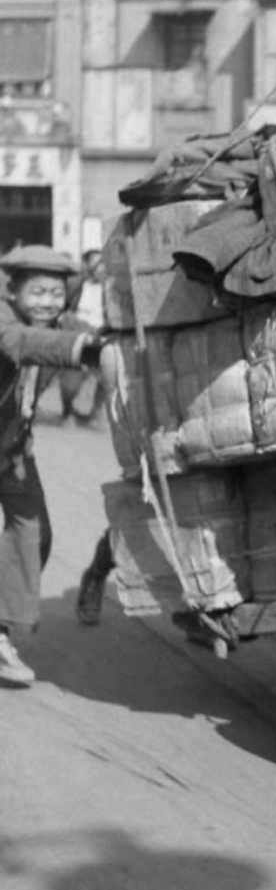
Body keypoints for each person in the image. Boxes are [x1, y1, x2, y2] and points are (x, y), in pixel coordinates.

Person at [0, 245, 104, 686]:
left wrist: (112, 343)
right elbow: (23, 344)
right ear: (14, 292)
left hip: (13, 450)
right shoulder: (5, 319)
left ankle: (2, 630)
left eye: (56, 293)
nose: (48, 302)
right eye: (38, 292)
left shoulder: (61, 323)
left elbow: (92, 333)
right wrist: (82, 348)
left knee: (34, 534)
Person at [59, 248, 106, 425]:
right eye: (96, 263)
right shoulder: (75, 285)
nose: (100, 267)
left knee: (108, 374)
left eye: (102, 263)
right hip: (77, 334)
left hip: (102, 334)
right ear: (86, 265)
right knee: (71, 379)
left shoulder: (110, 288)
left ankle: (95, 413)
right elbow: (62, 308)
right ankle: (67, 409)